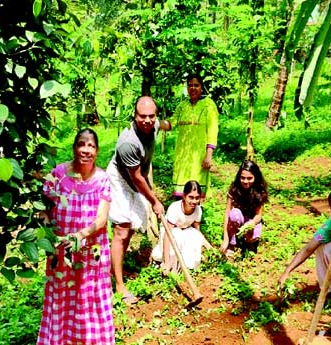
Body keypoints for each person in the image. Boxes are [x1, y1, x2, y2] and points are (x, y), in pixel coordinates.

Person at [38, 128, 115, 344]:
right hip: (61, 251)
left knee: (89, 297)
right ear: (74, 147)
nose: (86, 150)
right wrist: (47, 227)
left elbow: (101, 220)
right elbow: (43, 207)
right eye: (82, 144)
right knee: (62, 294)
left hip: (91, 252)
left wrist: (80, 235)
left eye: (91, 145)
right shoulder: (59, 174)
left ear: (97, 151)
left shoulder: (102, 179)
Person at [108, 96, 171, 305]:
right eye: (141, 116)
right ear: (134, 116)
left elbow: (162, 124)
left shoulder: (154, 126)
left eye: (151, 116)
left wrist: (169, 124)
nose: (146, 120)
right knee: (122, 229)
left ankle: (115, 264)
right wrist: (155, 200)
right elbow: (136, 178)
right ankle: (118, 285)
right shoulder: (128, 142)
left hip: (137, 179)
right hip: (121, 179)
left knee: (131, 228)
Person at [171, 73, 219, 198]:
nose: (193, 88)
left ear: (201, 87)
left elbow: (213, 131)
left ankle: (195, 216)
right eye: (190, 85)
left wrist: (208, 156)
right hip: (182, 157)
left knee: (195, 194)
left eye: (196, 85)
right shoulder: (182, 106)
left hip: (199, 157)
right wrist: (153, 121)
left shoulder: (209, 105)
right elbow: (171, 123)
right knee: (180, 194)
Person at [151, 180, 213, 272]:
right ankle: (168, 263)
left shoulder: (198, 210)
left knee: (194, 237)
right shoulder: (175, 208)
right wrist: (167, 262)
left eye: (197, 198)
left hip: (186, 230)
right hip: (170, 232)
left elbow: (197, 231)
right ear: (184, 196)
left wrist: (210, 248)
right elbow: (168, 235)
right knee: (177, 237)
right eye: (191, 197)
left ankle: (187, 266)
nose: (194, 201)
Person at [219, 160, 268, 255]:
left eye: (249, 178)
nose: (245, 181)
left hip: (251, 220)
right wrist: (226, 238)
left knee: (251, 239)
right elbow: (227, 213)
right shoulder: (234, 189)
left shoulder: (260, 191)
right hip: (238, 218)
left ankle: (247, 242)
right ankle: (232, 243)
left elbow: (258, 215)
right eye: (243, 178)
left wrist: (251, 224)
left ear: (255, 178)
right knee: (234, 214)